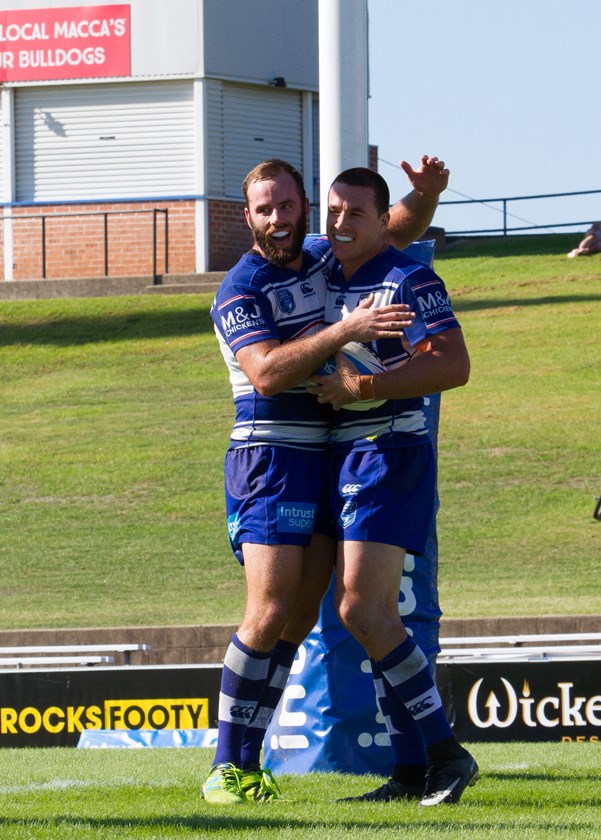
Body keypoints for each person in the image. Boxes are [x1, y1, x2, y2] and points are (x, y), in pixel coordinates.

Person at [205, 156, 448, 805]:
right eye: (265, 209)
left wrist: (422, 197)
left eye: (287, 206)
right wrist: (345, 330)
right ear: (247, 216)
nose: (278, 220)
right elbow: (265, 374)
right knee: (270, 608)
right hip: (269, 459)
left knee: (301, 613)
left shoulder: (318, 254)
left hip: (325, 458)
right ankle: (228, 765)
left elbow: (390, 225)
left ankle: (250, 763)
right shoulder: (240, 287)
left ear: (304, 205)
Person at [307, 166, 478, 807]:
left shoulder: (408, 277)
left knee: (362, 609)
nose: (341, 223)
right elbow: (394, 218)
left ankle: (444, 753)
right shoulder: (324, 265)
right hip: (344, 455)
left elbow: (453, 365)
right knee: (363, 613)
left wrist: (362, 387)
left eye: (356, 214)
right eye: (334, 211)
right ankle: (413, 770)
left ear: (381, 223)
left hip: (389, 452)